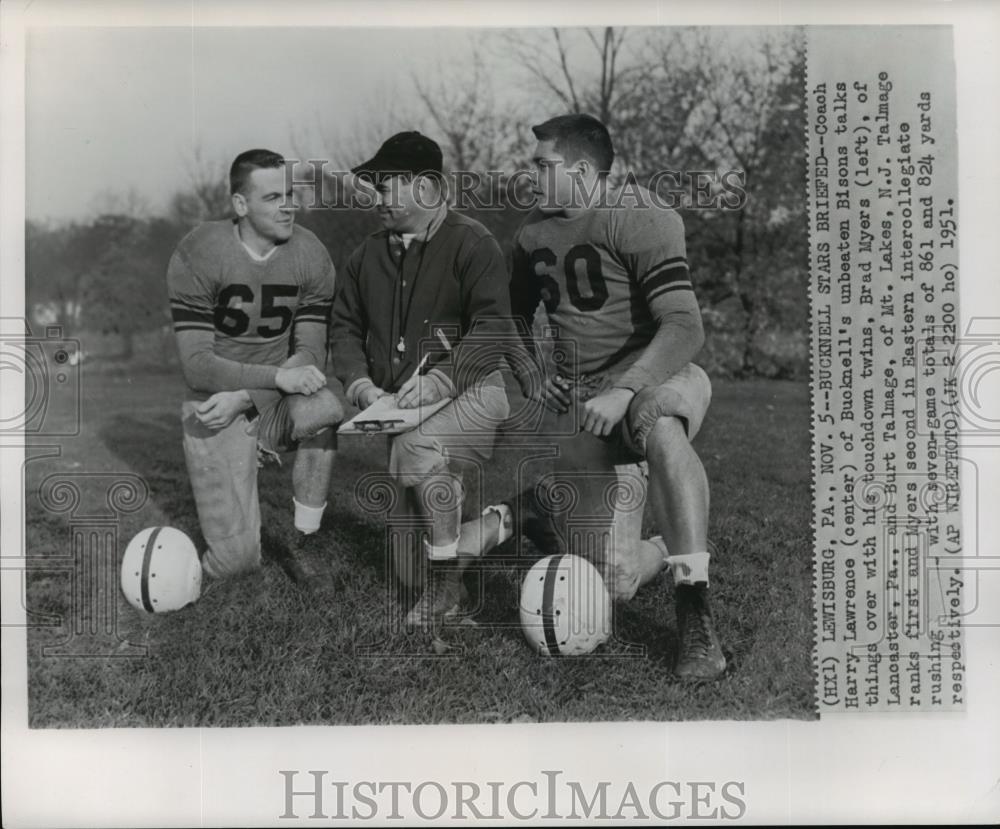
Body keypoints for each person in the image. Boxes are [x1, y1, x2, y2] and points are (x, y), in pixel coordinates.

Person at [469, 114, 726, 680]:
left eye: (542, 163)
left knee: (659, 422)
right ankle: (543, 508)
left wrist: (627, 389)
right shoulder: (533, 233)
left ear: (582, 170)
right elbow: (508, 316)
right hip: (588, 407)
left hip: (657, 376)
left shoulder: (640, 215)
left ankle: (695, 613)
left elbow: (684, 327)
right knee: (616, 584)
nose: (530, 172)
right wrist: (533, 371)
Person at [331, 131, 514, 628]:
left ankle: (448, 594)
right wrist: (360, 385)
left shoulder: (473, 241)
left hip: (476, 393)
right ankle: (510, 520)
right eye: (376, 184)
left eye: (389, 184)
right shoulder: (365, 255)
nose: (379, 196)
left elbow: (496, 328)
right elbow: (343, 329)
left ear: (429, 189)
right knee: (408, 570)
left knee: (417, 447)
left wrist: (442, 380)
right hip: (400, 405)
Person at [167, 148, 343, 586]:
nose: (288, 205)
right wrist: (270, 382)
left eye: (290, 194)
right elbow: (197, 365)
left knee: (323, 410)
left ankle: (306, 539)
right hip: (213, 403)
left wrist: (252, 394)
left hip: (270, 397)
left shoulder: (309, 252)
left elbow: (311, 355)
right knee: (237, 563)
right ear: (241, 205)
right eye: (272, 197)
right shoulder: (200, 250)